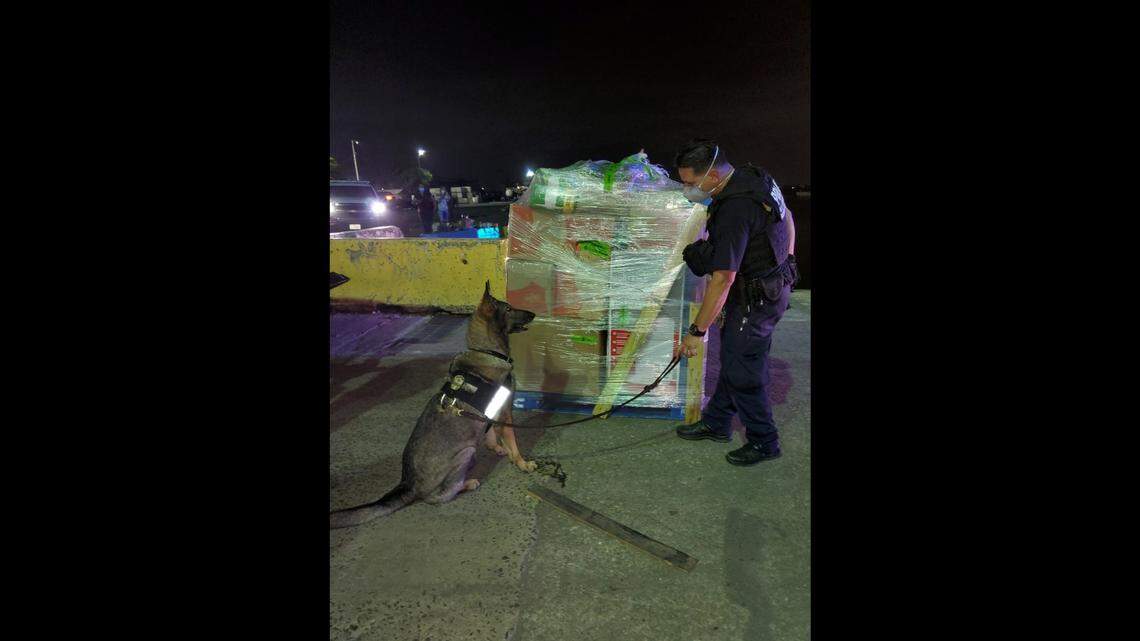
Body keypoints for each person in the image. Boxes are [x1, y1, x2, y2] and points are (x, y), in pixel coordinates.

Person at [671, 139, 798, 466]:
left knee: (745, 371)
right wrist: (788, 258)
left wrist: (695, 333)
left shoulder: (735, 209)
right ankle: (717, 422)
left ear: (711, 175)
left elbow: (722, 280)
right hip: (771, 283)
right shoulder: (754, 177)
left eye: (690, 183)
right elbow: (788, 217)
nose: (687, 190)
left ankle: (764, 440)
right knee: (735, 356)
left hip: (756, 297)